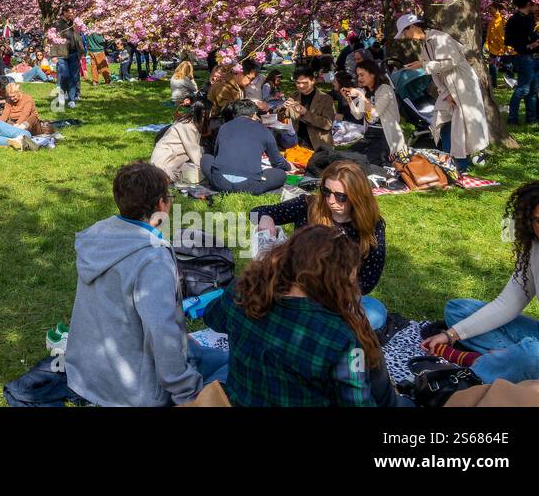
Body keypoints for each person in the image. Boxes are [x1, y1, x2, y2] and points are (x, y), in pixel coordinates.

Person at [64, 161, 228, 406]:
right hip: (132, 390)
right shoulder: (152, 258)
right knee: (238, 366)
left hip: (84, 375)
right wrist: (187, 392)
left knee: (210, 354)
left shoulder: (99, 235)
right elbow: (161, 333)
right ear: (162, 204)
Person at [204, 225, 395, 406]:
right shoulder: (339, 336)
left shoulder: (243, 290)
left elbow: (212, 318)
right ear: (338, 281)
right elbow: (357, 402)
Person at [423, 180, 539, 383]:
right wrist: (451, 335)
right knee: (458, 309)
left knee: (535, 356)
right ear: (529, 220)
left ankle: (481, 366)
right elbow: (508, 304)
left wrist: (532, 350)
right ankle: (509, 362)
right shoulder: (535, 246)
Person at [251, 161, 388, 331]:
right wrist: (266, 218)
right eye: (326, 191)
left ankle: (303, 327)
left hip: (339, 297)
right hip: (297, 291)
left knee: (377, 312)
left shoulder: (372, 225)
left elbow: (369, 278)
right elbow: (256, 212)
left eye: (341, 196)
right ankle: (322, 330)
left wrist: (337, 291)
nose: (331, 201)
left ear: (357, 196)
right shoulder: (309, 206)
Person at [397, 13, 490, 172]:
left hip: (463, 86)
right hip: (450, 88)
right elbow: (436, 73)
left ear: (412, 27)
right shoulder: (427, 42)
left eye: (405, 32)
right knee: (443, 121)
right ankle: (451, 161)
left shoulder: (439, 38)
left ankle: (459, 164)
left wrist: (423, 65)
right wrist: (445, 92)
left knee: (460, 126)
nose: (405, 36)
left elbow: (451, 62)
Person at [200, 99, 291, 194]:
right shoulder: (263, 129)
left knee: (205, 158)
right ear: (254, 114)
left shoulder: (224, 127)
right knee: (281, 174)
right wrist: (288, 166)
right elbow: (277, 162)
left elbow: (216, 155)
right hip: (250, 185)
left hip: (220, 182)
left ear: (234, 114)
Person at [340, 58, 408, 168]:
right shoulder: (365, 92)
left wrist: (360, 95)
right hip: (369, 135)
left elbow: (375, 113)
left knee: (366, 162)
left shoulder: (385, 89)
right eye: (358, 75)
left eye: (362, 75)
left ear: (373, 74)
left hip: (385, 136)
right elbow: (358, 115)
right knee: (347, 157)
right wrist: (349, 99)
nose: (359, 78)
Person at [504, 0, 539, 126]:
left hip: (536, 58)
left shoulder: (530, 18)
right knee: (522, 89)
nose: (536, 6)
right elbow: (509, 40)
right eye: (534, 4)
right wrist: (527, 45)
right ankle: (512, 118)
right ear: (528, 4)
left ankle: (531, 118)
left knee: (533, 90)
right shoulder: (515, 20)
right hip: (524, 58)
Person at [149, 99, 208, 183]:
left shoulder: (185, 122)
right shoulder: (188, 126)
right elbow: (195, 154)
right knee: (200, 173)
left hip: (167, 158)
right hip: (165, 161)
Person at [282, 69, 336, 151]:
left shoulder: (326, 99)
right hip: (297, 143)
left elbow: (327, 124)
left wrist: (305, 113)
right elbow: (282, 118)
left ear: (313, 81)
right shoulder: (294, 96)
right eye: (298, 83)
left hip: (317, 144)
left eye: (305, 83)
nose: (301, 86)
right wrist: (283, 108)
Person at [51, 7, 84, 108]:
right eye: (70, 12)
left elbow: (78, 37)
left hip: (74, 54)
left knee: (74, 77)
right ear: (64, 12)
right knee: (64, 75)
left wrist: (81, 51)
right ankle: (63, 93)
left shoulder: (74, 23)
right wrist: (54, 55)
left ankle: (71, 99)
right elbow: (53, 39)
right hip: (62, 54)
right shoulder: (57, 24)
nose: (72, 14)